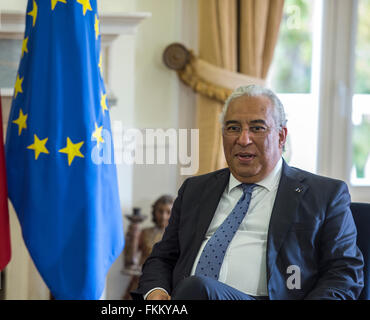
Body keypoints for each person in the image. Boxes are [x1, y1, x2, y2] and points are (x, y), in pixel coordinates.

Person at [132, 85, 364, 300]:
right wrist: (156, 291)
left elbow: (344, 273)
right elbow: (162, 257)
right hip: (186, 297)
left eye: (257, 128)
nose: (243, 139)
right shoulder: (195, 190)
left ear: (281, 136)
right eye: (233, 128)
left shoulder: (324, 195)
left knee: (197, 288)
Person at [123, 195, 174, 299]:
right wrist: (133, 234)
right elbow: (129, 260)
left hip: (166, 284)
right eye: (160, 211)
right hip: (141, 280)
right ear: (154, 212)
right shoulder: (145, 233)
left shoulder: (176, 237)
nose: (164, 216)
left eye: (168, 212)